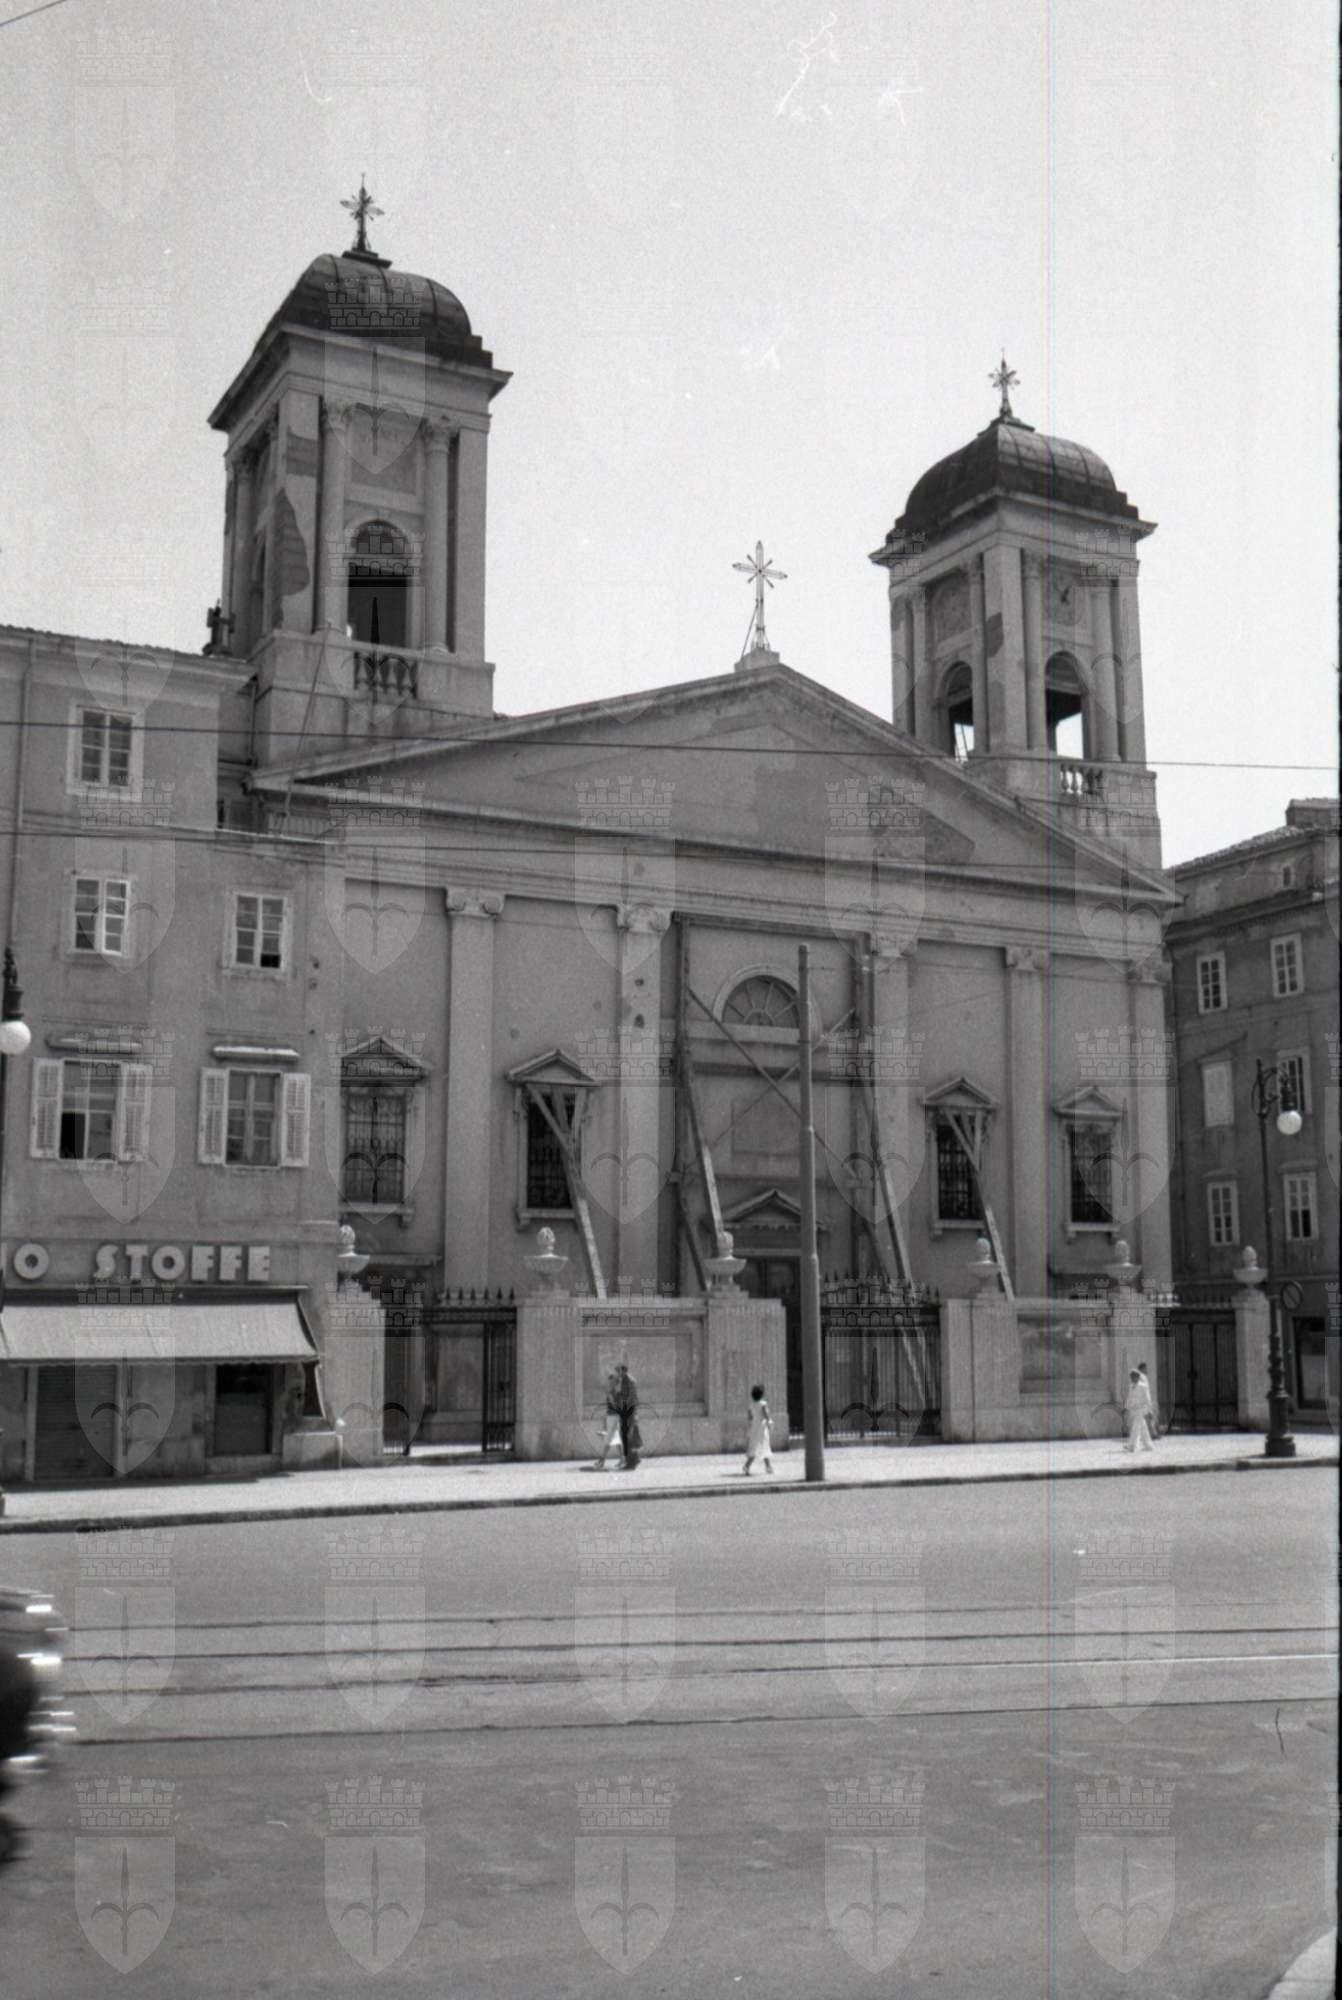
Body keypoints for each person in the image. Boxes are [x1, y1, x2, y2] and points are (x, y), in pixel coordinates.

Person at [593, 1369, 623, 1470]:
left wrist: (611, 1398)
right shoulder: (610, 1392)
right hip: (610, 1417)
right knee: (616, 1439)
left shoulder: (618, 1393)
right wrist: (605, 1421)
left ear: (615, 1382)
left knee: (609, 1439)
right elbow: (608, 1407)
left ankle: (602, 1460)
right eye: (609, 1381)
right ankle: (623, 1458)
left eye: (612, 1381)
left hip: (615, 1417)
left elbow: (618, 1407)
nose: (610, 1383)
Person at [742, 1384, 775, 1476]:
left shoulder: (751, 1405)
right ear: (762, 1394)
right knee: (764, 1445)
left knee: (754, 1446)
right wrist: (770, 1422)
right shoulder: (763, 1404)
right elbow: (766, 1414)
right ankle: (768, 1467)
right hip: (762, 1427)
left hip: (754, 1427)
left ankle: (747, 1466)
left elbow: (750, 1417)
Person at [613, 1362, 641, 1470]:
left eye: (618, 1371)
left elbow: (631, 1399)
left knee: (628, 1438)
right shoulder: (624, 1380)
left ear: (624, 1370)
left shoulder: (628, 1381)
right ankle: (634, 1459)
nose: (617, 1373)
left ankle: (631, 1463)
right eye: (617, 1371)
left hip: (629, 1413)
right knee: (629, 1438)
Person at [1123, 1367, 1155, 1453]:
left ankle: (1132, 1445)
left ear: (1137, 1377)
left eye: (1133, 1377)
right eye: (1131, 1377)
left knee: (1135, 1426)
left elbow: (1148, 1399)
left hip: (1142, 1408)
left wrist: (1150, 1411)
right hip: (1135, 1409)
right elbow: (1129, 1397)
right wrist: (1126, 1408)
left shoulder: (1143, 1387)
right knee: (1143, 1427)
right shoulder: (1131, 1386)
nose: (1132, 1379)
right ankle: (1148, 1445)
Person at [1138, 1361, 1161, 1441]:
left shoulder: (1143, 1377)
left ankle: (1152, 1434)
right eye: (1145, 1368)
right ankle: (1153, 1434)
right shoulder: (1142, 1378)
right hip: (1144, 1402)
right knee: (1148, 1418)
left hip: (1145, 1401)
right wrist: (1147, 1402)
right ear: (1143, 1368)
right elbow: (1143, 1391)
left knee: (1147, 1419)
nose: (1147, 1370)